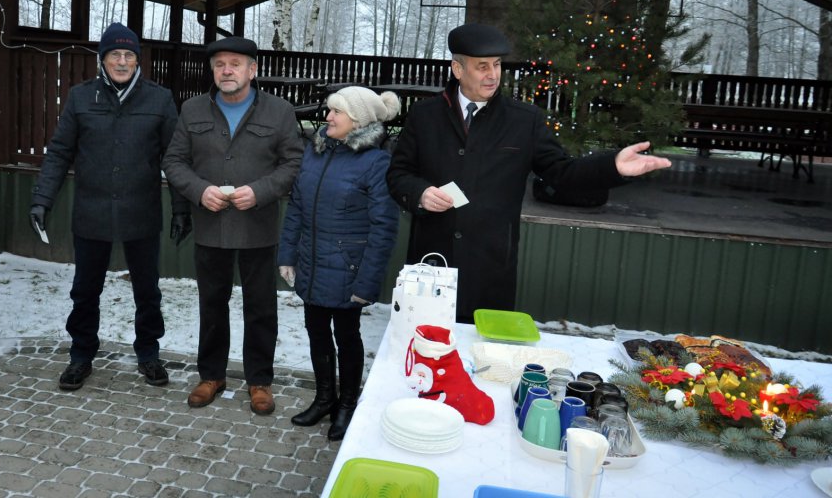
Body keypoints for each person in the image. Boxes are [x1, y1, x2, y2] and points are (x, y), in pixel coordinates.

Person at [386, 23, 672, 323]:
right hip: (430, 265)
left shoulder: (524, 121)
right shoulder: (424, 115)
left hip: (489, 271)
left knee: (482, 360)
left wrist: (612, 167)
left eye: (497, 65)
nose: (493, 74)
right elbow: (398, 174)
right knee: (421, 358)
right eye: (482, 66)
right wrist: (419, 193)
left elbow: (563, 173)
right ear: (457, 69)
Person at [29, 23, 185, 391]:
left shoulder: (159, 100)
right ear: (102, 59)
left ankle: (148, 352)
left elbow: (175, 158)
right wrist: (40, 199)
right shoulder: (81, 98)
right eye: (115, 54)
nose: (122, 60)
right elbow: (59, 153)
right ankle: (81, 355)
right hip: (92, 212)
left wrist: (182, 209)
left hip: (141, 212)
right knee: (85, 290)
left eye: (129, 54)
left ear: (137, 60)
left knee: (147, 291)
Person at [162, 36, 303, 416]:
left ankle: (260, 381)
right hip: (210, 225)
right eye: (220, 64)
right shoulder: (192, 110)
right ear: (213, 70)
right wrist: (198, 190)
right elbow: (174, 161)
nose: (227, 70)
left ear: (252, 70)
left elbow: (293, 164)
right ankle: (211, 375)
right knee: (211, 304)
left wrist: (259, 192)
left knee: (260, 307)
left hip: (257, 225)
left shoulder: (279, 111)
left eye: (235, 64)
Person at [278, 87, 401, 440]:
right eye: (329, 110)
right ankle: (324, 398)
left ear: (359, 120)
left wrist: (367, 283)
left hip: (348, 269)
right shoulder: (315, 152)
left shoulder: (376, 162)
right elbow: (297, 208)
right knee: (316, 331)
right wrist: (288, 254)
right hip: (312, 263)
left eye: (336, 112)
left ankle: (347, 403)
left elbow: (384, 227)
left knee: (346, 336)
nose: (328, 117)